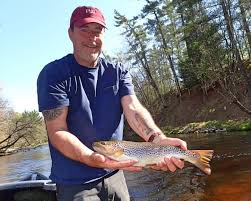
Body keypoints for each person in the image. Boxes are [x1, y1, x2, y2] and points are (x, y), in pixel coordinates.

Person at [37, 5, 187, 201]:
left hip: (116, 173)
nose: (92, 37)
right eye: (84, 30)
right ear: (70, 33)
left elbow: (133, 108)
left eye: (97, 31)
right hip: (75, 182)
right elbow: (57, 131)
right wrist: (90, 158)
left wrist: (156, 139)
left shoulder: (117, 71)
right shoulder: (53, 74)